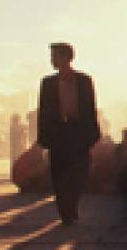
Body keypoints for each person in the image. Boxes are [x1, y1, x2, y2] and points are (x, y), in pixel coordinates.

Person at [37, 42, 100, 225]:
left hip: (78, 132)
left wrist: (92, 134)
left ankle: (72, 205)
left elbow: (90, 109)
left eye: (55, 56)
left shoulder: (84, 81)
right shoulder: (47, 83)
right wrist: (43, 137)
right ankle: (65, 212)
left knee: (79, 172)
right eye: (52, 57)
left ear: (67, 58)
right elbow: (44, 111)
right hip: (58, 132)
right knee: (58, 173)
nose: (52, 60)